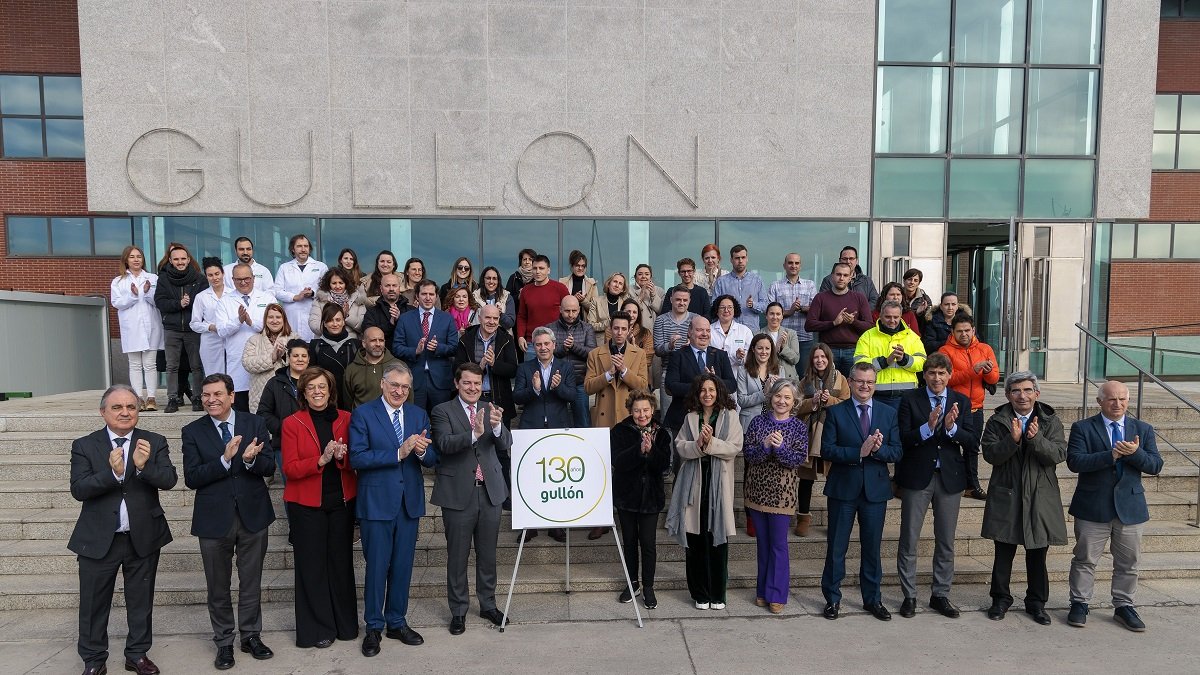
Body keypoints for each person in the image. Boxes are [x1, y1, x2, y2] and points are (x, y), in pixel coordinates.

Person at [70, 384, 177, 675]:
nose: (125, 412)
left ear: (138, 411)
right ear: (103, 412)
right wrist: (112, 474)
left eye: (131, 406)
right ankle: (93, 660)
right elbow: (79, 489)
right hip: (97, 539)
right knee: (93, 604)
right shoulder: (85, 445)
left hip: (142, 537)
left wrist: (142, 468)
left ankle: (137, 655)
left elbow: (169, 479)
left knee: (140, 601)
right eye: (117, 407)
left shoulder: (153, 441)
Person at [181, 374, 276, 670]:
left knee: (251, 582)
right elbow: (192, 477)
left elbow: (270, 465)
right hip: (213, 519)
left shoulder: (253, 424)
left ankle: (250, 636)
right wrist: (224, 460)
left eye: (218, 394)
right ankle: (224, 642)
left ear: (232, 395)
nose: (211, 399)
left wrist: (249, 461)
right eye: (206, 395)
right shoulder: (192, 431)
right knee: (218, 586)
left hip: (252, 514)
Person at [349, 362, 438, 656]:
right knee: (376, 567)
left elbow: (431, 457)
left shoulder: (417, 414)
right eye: (394, 385)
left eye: (404, 387)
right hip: (376, 504)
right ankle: (373, 626)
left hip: (408, 504)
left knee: (402, 567)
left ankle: (397, 622)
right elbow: (358, 458)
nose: (399, 391)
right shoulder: (364, 414)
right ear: (383, 385)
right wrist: (398, 453)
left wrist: (423, 451)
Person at [1065, 380, 1163, 632]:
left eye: (1122, 399)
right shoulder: (1083, 428)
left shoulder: (1142, 428)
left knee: (1128, 562)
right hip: (1092, 506)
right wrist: (1112, 455)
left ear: (1128, 401)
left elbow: (1155, 465)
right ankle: (1079, 603)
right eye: (1111, 399)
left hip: (1130, 507)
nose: (1117, 404)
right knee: (1085, 559)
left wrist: (1134, 453)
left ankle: (1124, 605)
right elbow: (1075, 462)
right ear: (1099, 402)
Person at [430, 363, 512, 635]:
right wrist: (474, 434)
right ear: (457, 383)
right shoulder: (442, 411)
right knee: (457, 557)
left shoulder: (491, 410)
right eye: (467, 383)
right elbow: (444, 444)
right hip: (457, 494)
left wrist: (498, 428)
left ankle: (488, 604)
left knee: (487, 554)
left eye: (477, 383)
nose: (473, 388)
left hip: (490, 493)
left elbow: (505, 445)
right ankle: (459, 611)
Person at [895, 353, 978, 619]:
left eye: (942, 373)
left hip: (949, 479)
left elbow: (972, 441)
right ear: (924, 375)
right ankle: (909, 596)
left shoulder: (961, 401)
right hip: (917, 477)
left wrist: (952, 429)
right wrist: (928, 427)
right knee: (909, 538)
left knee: (946, 541)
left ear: (950, 375)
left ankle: (940, 595)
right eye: (931, 373)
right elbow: (903, 439)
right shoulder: (910, 399)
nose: (937, 378)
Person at [980, 371, 1067, 625]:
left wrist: (1035, 439)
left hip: (1040, 495)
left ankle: (1037, 603)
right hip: (1007, 493)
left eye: (1028, 390)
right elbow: (991, 455)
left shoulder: (1050, 420)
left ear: (1036, 394)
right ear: (1008, 395)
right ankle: (1000, 599)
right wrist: (1013, 440)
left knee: (1038, 552)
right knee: (1004, 549)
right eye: (1016, 391)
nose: (1022, 395)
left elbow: (1058, 454)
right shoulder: (997, 421)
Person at [280, 367, 358, 648]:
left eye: (322, 386)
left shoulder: (347, 419)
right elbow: (289, 468)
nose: (317, 391)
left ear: (330, 390)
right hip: (306, 506)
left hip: (341, 503)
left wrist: (340, 457)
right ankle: (318, 630)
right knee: (311, 568)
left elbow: (354, 461)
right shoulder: (292, 423)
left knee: (340, 565)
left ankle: (345, 625)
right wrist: (321, 459)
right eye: (311, 387)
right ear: (303, 392)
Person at [819, 362, 902, 622]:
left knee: (872, 549)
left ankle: (872, 599)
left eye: (870, 382)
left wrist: (877, 450)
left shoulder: (888, 414)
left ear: (874, 384)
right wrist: (859, 452)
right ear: (851, 382)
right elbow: (827, 450)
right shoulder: (836, 412)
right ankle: (832, 599)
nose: (865, 386)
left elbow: (897, 451)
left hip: (875, 492)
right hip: (843, 489)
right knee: (836, 548)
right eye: (860, 381)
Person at [667, 374, 743, 611]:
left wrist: (711, 443)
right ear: (697, 394)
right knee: (696, 541)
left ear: (718, 392)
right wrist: (698, 443)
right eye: (703, 390)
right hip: (693, 487)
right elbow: (680, 446)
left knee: (717, 540)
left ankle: (718, 594)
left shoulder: (730, 416)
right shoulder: (690, 418)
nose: (707, 394)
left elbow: (734, 448)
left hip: (719, 486)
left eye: (711, 390)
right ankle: (700, 593)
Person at [743, 379, 809, 614]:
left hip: (783, 496)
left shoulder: (799, 427)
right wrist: (764, 446)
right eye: (778, 396)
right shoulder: (758, 422)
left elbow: (797, 460)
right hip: (757, 493)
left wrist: (780, 448)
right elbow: (749, 455)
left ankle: (777, 593)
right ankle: (762, 590)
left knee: (778, 546)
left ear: (794, 402)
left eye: (787, 398)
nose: (782, 401)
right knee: (763, 544)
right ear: (771, 397)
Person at [511, 326, 576, 543]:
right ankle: (528, 526)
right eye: (538, 344)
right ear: (533, 347)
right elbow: (517, 397)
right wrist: (535, 389)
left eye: (546, 344)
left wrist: (557, 388)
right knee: (530, 477)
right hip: (531, 428)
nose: (543, 348)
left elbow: (573, 396)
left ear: (554, 345)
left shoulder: (565, 367)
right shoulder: (525, 368)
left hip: (558, 428)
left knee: (557, 478)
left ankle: (556, 525)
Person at [610, 390, 672, 610]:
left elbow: (664, 464)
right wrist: (638, 450)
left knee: (648, 544)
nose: (642, 414)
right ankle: (632, 583)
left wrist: (651, 451)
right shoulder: (619, 431)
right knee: (629, 543)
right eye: (637, 410)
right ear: (630, 411)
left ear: (652, 410)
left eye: (645, 410)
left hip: (651, 498)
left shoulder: (662, 432)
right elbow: (618, 461)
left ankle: (648, 586)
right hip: (626, 496)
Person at [796, 343, 850, 536]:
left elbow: (846, 404)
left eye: (823, 357)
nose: (820, 360)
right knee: (805, 478)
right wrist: (814, 402)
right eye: (816, 357)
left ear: (829, 359)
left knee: (833, 478)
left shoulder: (840, 379)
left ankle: (833, 520)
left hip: (832, 434)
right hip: (809, 435)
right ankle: (803, 518)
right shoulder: (805, 381)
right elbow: (795, 406)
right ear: (812, 360)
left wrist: (829, 401)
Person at [944, 313, 999, 499]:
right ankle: (952, 483)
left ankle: (972, 485)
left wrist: (988, 371)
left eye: (967, 330)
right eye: (959, 331)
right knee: (949, 446)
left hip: (976, 406)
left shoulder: (984, 348)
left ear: (973, 330)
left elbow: (994, 378)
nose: (964, 334)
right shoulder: (945, 351)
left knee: (972, 446)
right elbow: (946, 379)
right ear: (952, 332)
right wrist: (972, 370)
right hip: (954, 407)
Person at [155, 242, 208, 414]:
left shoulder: (199, 279)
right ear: (170, 261)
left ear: (188, 259)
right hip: (172, 328)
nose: (180, 262)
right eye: (176, 259)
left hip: (193, 329)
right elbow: (160, 302)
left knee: (196, 365)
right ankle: (172, 398)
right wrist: (178, 304)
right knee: (171, 366)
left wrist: (189, 302)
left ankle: (198, 397)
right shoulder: (163, 279)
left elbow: (205, 303)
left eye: (183, 259)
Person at [392, 279, 460, 414]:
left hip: (440, 381)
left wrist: (438, 348)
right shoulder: (405, 318)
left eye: (431, 294)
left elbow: (454, 347)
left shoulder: (446, 318)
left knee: (442, 421)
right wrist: (414, 351)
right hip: (414, 380)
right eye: (424, 294)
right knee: (416, 421)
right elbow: (396, 347)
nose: (428, 298)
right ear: (417, 296)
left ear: (436, 296)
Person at [216, 264, 276, 412]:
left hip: (263, 360)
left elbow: (276, 326)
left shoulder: (268, 298)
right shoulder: (224, 301)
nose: (243, 282)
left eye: (247, 279)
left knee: (264, 408)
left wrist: (251, 322)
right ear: (232, 280)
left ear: (253, 278)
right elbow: (221, 331)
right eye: (239, 279)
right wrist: (238, 320)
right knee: (241, 409)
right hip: (237, 362)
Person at [111, 245, 164, 410]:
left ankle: (152, 398)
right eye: (132, 257)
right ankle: (137, 397)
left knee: (150, 364)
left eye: (139, 256)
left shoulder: (153, 278)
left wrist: (147, 293)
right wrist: (133, 295)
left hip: (151, 326)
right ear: (126, 260)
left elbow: (159, 301)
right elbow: (117, 303)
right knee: (134, 364)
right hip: (131, 328)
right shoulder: (119, 281)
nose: (136, 260)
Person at [663, 316, 737, 433]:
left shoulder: (720, 355)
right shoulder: (678, 356)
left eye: (707, 330)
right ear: (689, 332)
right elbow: (671, 385)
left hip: (715, 421)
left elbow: (732, 385)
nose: (704, 334)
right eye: (699, 330)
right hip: (683, 420)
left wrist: (715, 381)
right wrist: (701, 385)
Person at [455, 303, 518, 427]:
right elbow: (457, 370)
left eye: (495, 318)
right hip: (472, 398)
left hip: (500, 400)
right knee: (474, 440)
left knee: (500, 441)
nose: (492, 322)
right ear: (479, 318)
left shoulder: (506, 339)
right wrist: (480, 366)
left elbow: (513, 370)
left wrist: (494, 364)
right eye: (488, 318)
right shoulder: (465, 339)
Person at [805, 262, 873, 377]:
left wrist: (853, 322)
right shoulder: (821, 298)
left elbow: (870, 326)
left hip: (853, 350)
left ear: (850, 277)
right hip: (828, 351)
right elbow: (809, 325)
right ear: (832, 276)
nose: (841, 278)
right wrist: (833, 323)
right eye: (838, 274)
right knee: (828, 387)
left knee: (852, 386)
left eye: (845, 275)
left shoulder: (859, 298)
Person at [854, 300, 926, 409]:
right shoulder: (867, 336)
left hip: (907, 396)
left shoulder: (912, 337)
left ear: (901, 316)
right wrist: (885, 361)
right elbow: (859, 364)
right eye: (888, 317)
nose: (892, 320)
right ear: (880, 316)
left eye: (896, 317)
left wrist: (904, 359)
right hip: (877, 396)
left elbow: (923, 363)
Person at [585, 310, 649, 430]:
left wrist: (624, 370)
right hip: (604, 415)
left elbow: (643, 386)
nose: (619, 333)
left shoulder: (640, 354)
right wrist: (608, 374)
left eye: (624, 329)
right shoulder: (594, 354)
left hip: (629, 415)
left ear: (629, 330)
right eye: (616, 328)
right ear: (610, 328)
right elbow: (588, 387)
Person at [258, 339, 311, 483]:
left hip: (313, 442)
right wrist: (284, 428)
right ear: (288, 357)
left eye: (304, 356)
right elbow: (263, 413)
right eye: (295, 356)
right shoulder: (275, 383)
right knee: (292, 486)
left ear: (309, 359)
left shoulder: (317, 381)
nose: (300, 359)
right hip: (284, 444)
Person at [547, 294, 596, 428]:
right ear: (560, 310)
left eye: (574, 311)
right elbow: (546, 354)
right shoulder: (550, 328)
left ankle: (584, 449)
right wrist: (563, 348)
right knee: (555, 423)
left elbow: (592, 353)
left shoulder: (587, 328)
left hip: (580, 382)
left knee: (583, 423)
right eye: (567, 311)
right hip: (556, 382)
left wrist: (573, 346)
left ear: (579, 310)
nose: (570, 314)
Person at [241, 303, 298, 414]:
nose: (274, 320)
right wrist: (272, 357)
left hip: (288, 393)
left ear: (284, 319)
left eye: (278, 317)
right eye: (270, 317)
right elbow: (247, 363)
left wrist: (283, 356)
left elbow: (302, 362)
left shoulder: (294, 338)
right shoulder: (254, 340)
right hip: (260, 394)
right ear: (265, 320)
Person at [766, 252, 816, 371]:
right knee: (781, 372)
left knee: (804, 374)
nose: (793, 265)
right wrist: (790, 310)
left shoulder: (810, 285)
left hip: (805, 337)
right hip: (782, 338)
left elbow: (816, 310)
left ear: (800, 265)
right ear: (784, 265)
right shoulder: (775, 286)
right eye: (790, 263)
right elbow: (769, 311)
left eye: (796, 263)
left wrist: (802, 308)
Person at [191, 257, 229, 407]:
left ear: (223, 273)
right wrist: (210, 327)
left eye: (217, 273)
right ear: (206, 277)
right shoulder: (201, 297)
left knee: (231, 374)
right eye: (210, 275)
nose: (215, 278)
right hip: (210, 341)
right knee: (213, 376)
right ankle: (214, 405)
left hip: (230, 339)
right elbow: (194, 323)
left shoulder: (233, 294)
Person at [275, 234, 328, 341]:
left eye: (306, 246)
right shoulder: (284, 268)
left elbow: (327, 291)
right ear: (292, 249)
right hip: (292, 316)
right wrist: (295, 297)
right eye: (299, 246)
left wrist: (313, 293)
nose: (303, 249)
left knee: (313, 347)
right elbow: (277, 291)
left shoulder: (321, 267)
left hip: (314, 313)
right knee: (293, 346)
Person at [516, 254, 569, 357]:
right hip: (532, 343)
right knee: (532, 373)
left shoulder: (560, 288)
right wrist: (520, 336)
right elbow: (522, 316)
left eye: (541, 268)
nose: (538, 271)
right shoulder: (526, 290)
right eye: (535, 268)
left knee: (555, 373)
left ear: (548, 270)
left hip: (555, 342)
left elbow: (569, 312)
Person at [310, 304, 362, 411]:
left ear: (343, 322)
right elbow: (312, 376)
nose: (335, 324)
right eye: (330, 320)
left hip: (351, 401)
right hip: (325, 402)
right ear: (324, 323)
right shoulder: (315, 346)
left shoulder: (355, 345)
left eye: (338, 320)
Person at [736, 333, 786, 432]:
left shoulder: (780, 370)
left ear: (771, 350)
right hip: (750, 424)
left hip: (773, 423)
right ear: (753, 349)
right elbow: (741, 400)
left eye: (767, 348)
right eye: (760, 348)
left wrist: (776, 390)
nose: (764, 352)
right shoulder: (743, 370)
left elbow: (782, 398)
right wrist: (764, 392)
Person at [344, 327, 401, 411]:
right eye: (373, 340)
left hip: (391, 421)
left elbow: (407, 399)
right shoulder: (352, 369)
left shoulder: (399, 367)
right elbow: (348, 403)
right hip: (362, 422)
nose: (378, 344)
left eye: (381, 340)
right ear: (364, 343)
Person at [713, 244, 766, 332]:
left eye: (743, 257)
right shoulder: (722, 282)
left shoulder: (757, 280)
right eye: (737, 258)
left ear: (747, 259)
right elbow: (714, 306)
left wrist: (753, 305)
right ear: (731, 260)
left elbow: (765, 305)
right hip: (729, 331)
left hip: (752, 330)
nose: (740, 261)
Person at [309, 267, 366, 338]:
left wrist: (347, 316)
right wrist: (332, 325)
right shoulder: (320, 299)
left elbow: (363, 326)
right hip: (326, 342)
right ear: (328, 284)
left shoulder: (357, 299)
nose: (338, 286)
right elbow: (314, 325)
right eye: (334, 283)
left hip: (350, 342)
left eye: (341, 283)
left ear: (346, 283)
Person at [361, 273, 410, 348]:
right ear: (381, 288)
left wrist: (399, 320)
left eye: (394, 285)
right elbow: (369, 336)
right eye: (387, 286)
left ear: (399, 288)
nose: (391, 289)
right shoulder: (371, 312)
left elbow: (414, 335)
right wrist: (391, 324)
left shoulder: (411, 310)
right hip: (382, 356)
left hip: (406, 356)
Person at [710, 294, 755, 369]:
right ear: (716, 311)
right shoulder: (709, 330)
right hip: (715, 374)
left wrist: (739, 356)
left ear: (735, 310)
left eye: (730, 307)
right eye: (722, 307)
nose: (726, 310)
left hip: (738, 376)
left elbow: (751, 357)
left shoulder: (745, 331)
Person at [617, 298, 654, 387]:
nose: (631, 315)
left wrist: (634, 348)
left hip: (638, 378)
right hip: (617, 379)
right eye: (628, 311)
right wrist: (624, 341)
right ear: (622, 312)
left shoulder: (645, 333)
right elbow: (610, 355)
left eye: (634, 312)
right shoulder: (611, 331)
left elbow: (648, 360)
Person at [588, 271, 633, 341]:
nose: (617, 285)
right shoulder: (596, 301)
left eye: (620, 284)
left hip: (621, 343)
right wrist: (609, 322)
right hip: (600, 343)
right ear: (608, 284)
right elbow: (590, 325)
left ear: (622, 289)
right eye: (615, 281)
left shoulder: (625, 303)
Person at [763, 302, 800, 379]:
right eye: (771, 314)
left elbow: (795, 359)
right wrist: (775, 351)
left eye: (778, 314)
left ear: (782, 316)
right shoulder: (758, 334)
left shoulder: (791, 334)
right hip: (767, 378)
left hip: (789, 379)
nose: (775, 317)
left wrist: (783, 347)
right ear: (766, 316)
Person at [473, 265, 516, 332]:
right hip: (480, 339)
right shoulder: (475, 297)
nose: (491, 281)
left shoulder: (507, 297)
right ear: (483, 280)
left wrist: (500, 314)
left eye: (494, 278)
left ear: (498, 281)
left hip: (502, 339)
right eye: (488, 278)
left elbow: (510, 323)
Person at [559, 249, 598, 319]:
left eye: (583, 266)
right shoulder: (562, 282)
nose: (580, 268)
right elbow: (559, 306)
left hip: (585, 324)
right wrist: (573, 299)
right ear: (572, 266)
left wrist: (583, 301)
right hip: (565, 323)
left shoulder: (592, 283)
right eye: (577, 265)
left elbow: (596, 309)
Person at [632, 263, 665, 329]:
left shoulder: (660, 291)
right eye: (640, 274)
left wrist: (653, 295)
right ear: (635, 277)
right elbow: (629, 311)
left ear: (651, 277)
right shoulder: (629, 290)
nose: (643, 276)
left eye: (647, 274)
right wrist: (641, 294)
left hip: (655, 330)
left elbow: (662, 311)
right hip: (636, 329)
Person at [901, 268, 933, 332]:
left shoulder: (925, 299)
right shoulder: (896, 296)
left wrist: (919, 314)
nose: (912, 282)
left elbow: (927, 322)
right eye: (909, 279)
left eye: (915, 280)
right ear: (904, 281)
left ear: (918, 283)